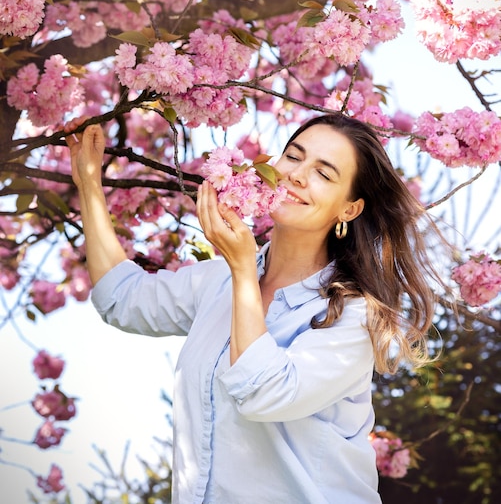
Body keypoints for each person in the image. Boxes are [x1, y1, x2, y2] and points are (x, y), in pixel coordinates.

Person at [64, 112, 439, 504]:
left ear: (349, 209)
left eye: (324, 174)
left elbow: (264, 393)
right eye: (293, 157)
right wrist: (88, 183)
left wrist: (243, 269)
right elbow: (121, 297)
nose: (297, 175)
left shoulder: (354, 317)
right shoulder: (217, 282)